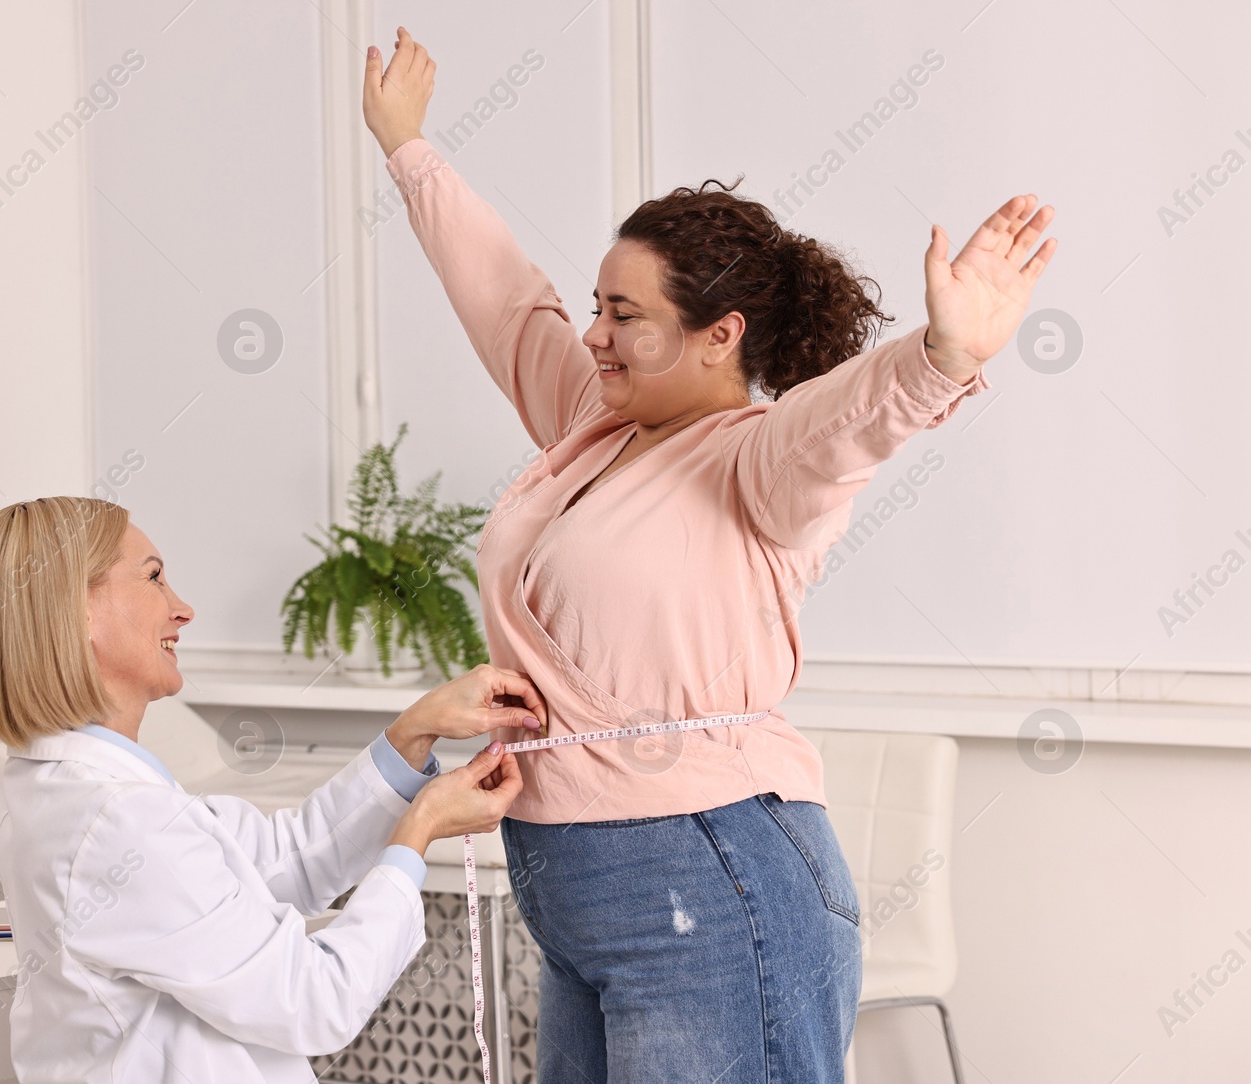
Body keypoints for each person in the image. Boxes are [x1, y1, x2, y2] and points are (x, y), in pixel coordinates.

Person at [362, 27, 1056, 1084]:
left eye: (624, 314)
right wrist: (408, 149)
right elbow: (506, 298)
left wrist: (937, 357)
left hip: (713, 882)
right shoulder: (591, 423)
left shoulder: (757, 463)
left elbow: (845, 422)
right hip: (575, 894)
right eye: (597, 307)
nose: (593, 334)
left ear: (718, 335)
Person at [0, 496, 543, 1083]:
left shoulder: (60, 787)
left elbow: (283, 859)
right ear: (76, 611)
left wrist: (414, 731)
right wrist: (419, 831)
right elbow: (317, 1000)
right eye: (153, 578)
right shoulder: (119, 820)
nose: (182, 610)